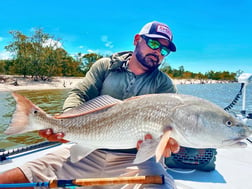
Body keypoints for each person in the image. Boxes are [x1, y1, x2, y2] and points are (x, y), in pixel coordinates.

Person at [0, 21, 180, 188]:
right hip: (87, 150)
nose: (158, 52)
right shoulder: (105, 66)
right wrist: (67, 123)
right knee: (8, 181)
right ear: (137, 40)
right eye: (154, 44)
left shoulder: (164, 84)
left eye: (164, 51)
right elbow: (80, 94)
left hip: (136, 159)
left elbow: (170, 127)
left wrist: (165, 143)